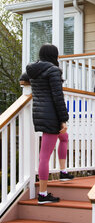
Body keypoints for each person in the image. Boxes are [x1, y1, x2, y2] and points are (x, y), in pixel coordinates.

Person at [20, 44, 73, 204]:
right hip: (52, 115)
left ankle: (63, 172)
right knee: (45, 155)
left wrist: (32, 85)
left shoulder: (32, 69)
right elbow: (58, 96)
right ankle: (43, 194)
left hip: (40, 113)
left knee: (64, 138)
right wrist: (64, 119)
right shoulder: (53, 70)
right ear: (54, 55)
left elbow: (23, 80)